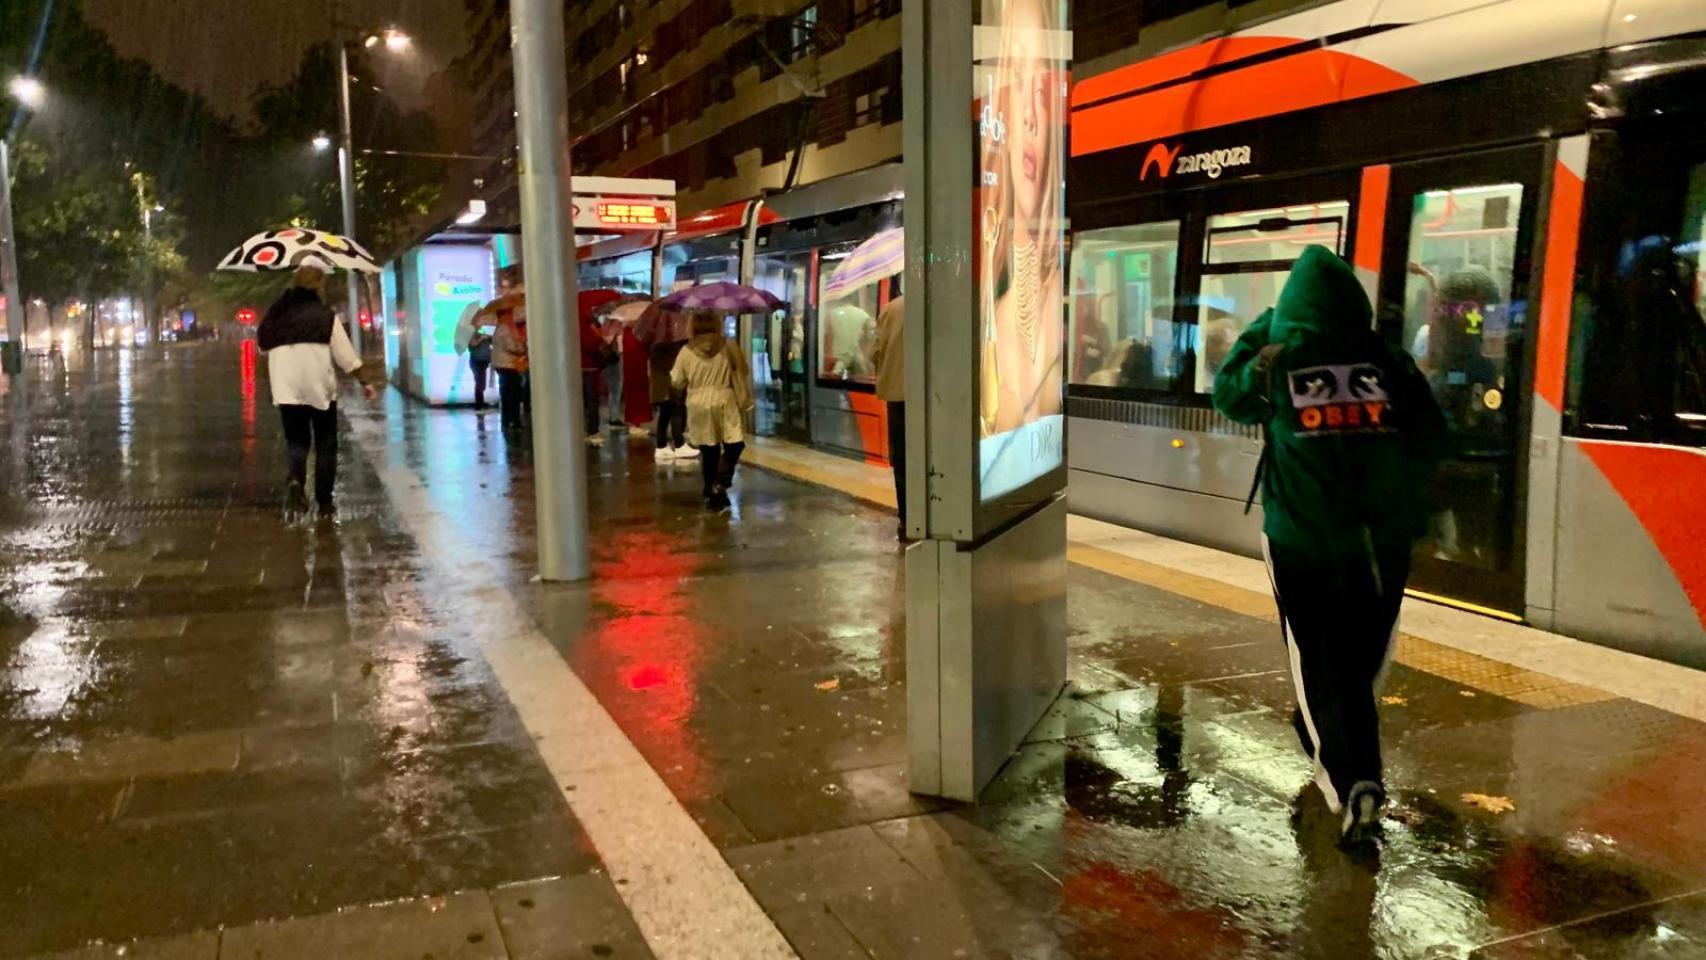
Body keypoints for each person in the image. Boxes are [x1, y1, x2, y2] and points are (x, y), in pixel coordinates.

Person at [1212, 245, 1448, 846]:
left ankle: (1349, 780)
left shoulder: (1275, 361)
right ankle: (1339, 742)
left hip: (1301, 540)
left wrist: (1270, 329)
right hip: (1380, 543)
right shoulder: (1387, 361)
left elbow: (1227, 395)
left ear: (1290, 311)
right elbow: (1432, 435)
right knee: (1362, 654)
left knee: (1317, 658)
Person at [256, 264, 379, 515]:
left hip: (286, 388)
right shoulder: (325, 316)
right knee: (325, 443)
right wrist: (365, 381)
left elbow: (262, 345)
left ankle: (295, 480)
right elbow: (346, 357)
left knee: (296, 442)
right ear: (319, 286)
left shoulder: (277, 315)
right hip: (319, 387)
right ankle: (324, 500)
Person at [672, 312, 754, 511]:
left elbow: (677, 381)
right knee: (735, 444)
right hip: (724, 397)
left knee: (709, 449)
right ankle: (720, 484)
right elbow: (743, 369)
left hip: (698, 401)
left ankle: (710, 489)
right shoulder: (728, 346)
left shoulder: (686, 350)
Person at [870, 295, 907, 540]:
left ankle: (906, 520)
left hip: (897, 396)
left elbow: (875, 353)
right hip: (935, 399)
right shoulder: (942, 302)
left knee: (902, 461)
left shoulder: (890, 309)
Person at [484, 266, 530, 431]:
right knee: (511, 393)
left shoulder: (503, 328)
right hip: (507, 365)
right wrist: (522, 347)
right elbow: (512, 346)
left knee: (509, 392)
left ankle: (510, 419)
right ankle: (512, 420)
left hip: (504, 365)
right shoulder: (504, 329)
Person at [467, 323, 493, 410]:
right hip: (477, 362)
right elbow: (472, 345)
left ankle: (481, 402)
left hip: (483, 362)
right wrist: (482, 338)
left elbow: (491, 340)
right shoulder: (471, 334)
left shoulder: (480, 334)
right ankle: (479, 404)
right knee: (479, 383)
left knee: (482, 383)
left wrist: (489, 337)